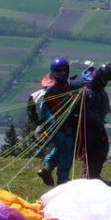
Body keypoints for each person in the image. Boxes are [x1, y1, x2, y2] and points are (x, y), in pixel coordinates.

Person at [35, 57, 84, 187]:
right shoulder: (52, 90)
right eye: (60, 71)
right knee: (67, 151)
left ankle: (46, 167)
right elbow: (47, 109)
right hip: (58, 127)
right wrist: (53, 122)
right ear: (54, 72)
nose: (63, 73)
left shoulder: (65, 86)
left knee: (60, 149)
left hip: (65, 124)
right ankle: (63, 179)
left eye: (64, 70)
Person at [78, 61, 111, 179]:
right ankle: (89, 174)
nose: (106, 82)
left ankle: (94, 174)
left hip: (97, 121)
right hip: (89, 123)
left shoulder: (98, 85)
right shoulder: (91, 84)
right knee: (93, 148)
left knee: (103, 148)